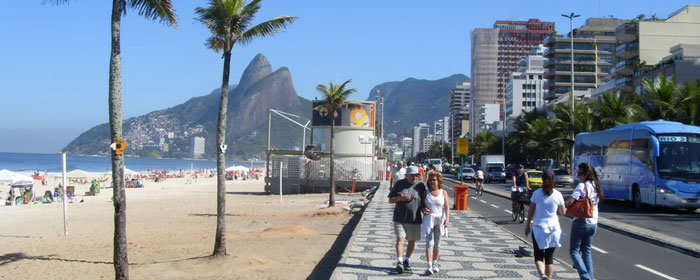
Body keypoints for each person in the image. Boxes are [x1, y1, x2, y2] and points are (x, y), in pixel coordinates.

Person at [525, 169, 566, 280]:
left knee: (538, 255)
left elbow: (531, 211)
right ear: (553, 180)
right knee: (549, 257)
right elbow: (563, 212)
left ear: (542, 180)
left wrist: (527, 224)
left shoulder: (536, 193)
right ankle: (549, 278)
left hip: (539, 229)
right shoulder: (558, 194)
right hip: (554, 229)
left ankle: (542, 275)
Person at [567, 163, 603, 280]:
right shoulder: (596, 186)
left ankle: (585, 276)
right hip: (593, 223)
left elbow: (570, 202)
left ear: (586, 174)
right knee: (586, 251)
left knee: (574, 251)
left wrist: (562, 205)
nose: (578, 176)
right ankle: (591, 277)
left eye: (580, 173)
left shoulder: (582, 186)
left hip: (581, 221)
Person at [388, 166, 426, 274]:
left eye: (416, 175)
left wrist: (424, 209)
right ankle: (399, 262)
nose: (414, 177)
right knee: (400, 239)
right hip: (399, 218)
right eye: (412, 175)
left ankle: (406, 260)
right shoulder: (399, 184)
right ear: (407, 175)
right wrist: (400, 198)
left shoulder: (420, 186)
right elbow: (390, 200)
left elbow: (423, 202)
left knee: (411, 241)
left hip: (414, 219)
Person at [421, 170, 450, 275]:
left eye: (434, 180)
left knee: (437, 243)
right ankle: (429, 266)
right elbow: (422, 205)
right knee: (429, 242)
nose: (432, 182)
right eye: (430, 180)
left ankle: (435, 263)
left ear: (438, 181)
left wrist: (447, 219)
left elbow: (446, 207)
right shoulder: (426, 192)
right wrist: (423, 209)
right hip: (429, 220)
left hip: (439, 220)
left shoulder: (443, 192)